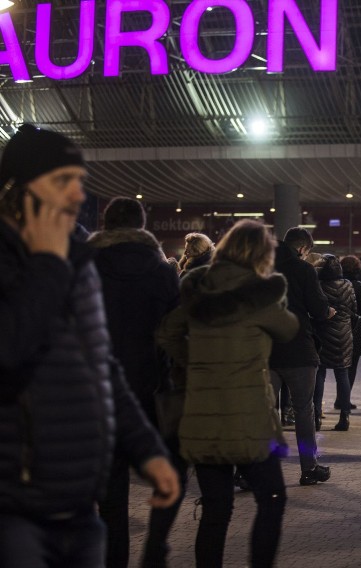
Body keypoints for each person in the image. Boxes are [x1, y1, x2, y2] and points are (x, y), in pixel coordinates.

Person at [0, 124, 179, 567]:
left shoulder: (78, 256)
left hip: (76, 493)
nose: (79, 196)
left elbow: (99, 362)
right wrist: (47, 265)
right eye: (64, 181)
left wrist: (147, 449)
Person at [156, 220, 299, 568]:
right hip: (250, 416)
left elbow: (167, 332)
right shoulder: (260, 295)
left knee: (216, 508)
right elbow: (289, 328)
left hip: (202, 416)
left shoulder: (197, 288)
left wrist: (195, 363)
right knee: (273, 497)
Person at [88, 197, 185, 568]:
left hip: (96, 388)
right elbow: (173, 329)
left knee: (109, 490)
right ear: (141, 224)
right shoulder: (161, 270)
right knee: (168, 473)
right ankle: (154, 549)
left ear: (107, 224)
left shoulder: (85, 264)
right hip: (147, 389)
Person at [268, 227, 333, 486]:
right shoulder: (303, 270)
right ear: (303, 248)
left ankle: (253, 470)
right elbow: (317, 308)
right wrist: (328, 312)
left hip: (267, 349)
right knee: (304, 410)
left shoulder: (262, 268)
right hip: (298, 349)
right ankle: (309, 467)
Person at [313, 254, 357, 432]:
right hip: (345, 334)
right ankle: (344, 417)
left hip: (323, 334)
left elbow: (315, 309)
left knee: (320, 374)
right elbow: (354, 309)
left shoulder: (319, 285)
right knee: (342, 374)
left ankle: (316, 416)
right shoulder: (348, 285)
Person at [340, 255, 361, 410]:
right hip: (354, 328)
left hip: (335, 327)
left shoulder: (333, 282)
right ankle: (344, 399)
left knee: (337, 366)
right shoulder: (357, 285)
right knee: (351, 366)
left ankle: (339, 399)